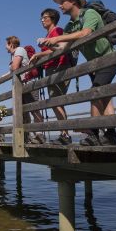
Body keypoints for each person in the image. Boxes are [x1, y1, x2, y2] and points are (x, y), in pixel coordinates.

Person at [39, 0, 116, 146]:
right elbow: (64, 48)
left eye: (63, 1)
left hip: (108, 58)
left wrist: (57, 38)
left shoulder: (89, 13)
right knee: (104, 96)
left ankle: (94, 134)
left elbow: (85, 33)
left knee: (95, 91)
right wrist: (50, 45)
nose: (60, 5)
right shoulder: (70, 26)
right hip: (93, 64)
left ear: (73, 1)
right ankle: (111, 135)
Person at [29, 8, 72, 145]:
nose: (42, 20)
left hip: (58, 68)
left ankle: (65, 135)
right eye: (41, 18)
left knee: (55, 101)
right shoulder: (49, 34)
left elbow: (60, 48)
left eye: (45, 17)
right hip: (52, 69)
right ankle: (64, 133)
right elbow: (50, 51)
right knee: (56, 101)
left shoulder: (57, 31)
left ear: (52, 19)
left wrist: (38, 54)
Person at [0, 36, 45, 144]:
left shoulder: (19, 50)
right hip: (22, 86)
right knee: (23, 111)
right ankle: (27, 136)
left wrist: (11, 67)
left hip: (29, 84)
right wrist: (1, 77)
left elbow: (14, 68)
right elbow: (12, 71)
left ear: (11, 44)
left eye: (6, 45)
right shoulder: (14, 55)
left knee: (34, 109)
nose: (5, 47)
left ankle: (40, 135)